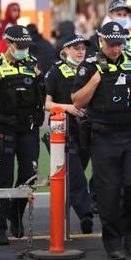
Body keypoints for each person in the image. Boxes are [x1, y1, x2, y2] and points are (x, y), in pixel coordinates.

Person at [72, 21, 131, 260]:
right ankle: (114, 241)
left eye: (120, 44)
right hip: (103, 137)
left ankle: (129, 230)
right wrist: (95, 80)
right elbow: (77, 101)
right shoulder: (88, 66)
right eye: (111, 44)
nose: (116, 49)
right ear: (101, 41)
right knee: (108, 192)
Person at [0, 25, 44, 244]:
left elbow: (40, 95)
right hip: (3, 129)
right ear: (8, 43)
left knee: (29, 175)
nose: (24, 50)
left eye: (26, 46)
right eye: (20, 46)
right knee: (3, 177)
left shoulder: (32, 65)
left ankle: (16, 212)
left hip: (28, 129)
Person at [44, 33, 93, 234]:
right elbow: (46, 103)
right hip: (64, 132)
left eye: (83, 48)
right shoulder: (55, 72)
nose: (81, 51)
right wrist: (67, 108)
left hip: (88, 132)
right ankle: (86, 215)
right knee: (76, 177)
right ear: (65, 50)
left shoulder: (90, 70)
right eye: (76, 48)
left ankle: (65, 220)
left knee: (75, 178)